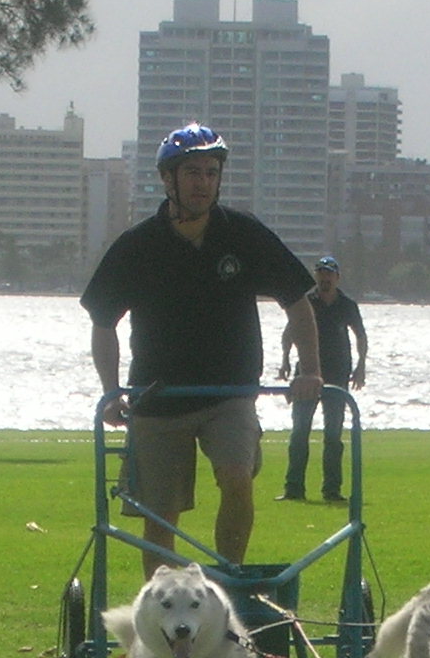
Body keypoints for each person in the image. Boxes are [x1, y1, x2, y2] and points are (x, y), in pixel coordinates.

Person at [81, 123, 321, 570]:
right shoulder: (138, 246)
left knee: (236, 477)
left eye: (212, 172)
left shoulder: (243, 234)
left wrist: (310, 370)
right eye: (192, 172)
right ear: (167, 178)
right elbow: (102, 322)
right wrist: (111, 392)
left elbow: (297, 302)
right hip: (158, 397)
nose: (203, 182)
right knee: (161, 515)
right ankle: (165, 617)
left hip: (228, 394)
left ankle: (228, 580)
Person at [277, 254, 367, 503]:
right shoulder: (307, 302)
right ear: (316, 276)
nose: (324, 278)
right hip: (307, 373)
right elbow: (290, 331)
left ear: (337, 277)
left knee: (333, 436)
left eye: (329, 274)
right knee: (299, 432)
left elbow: (361, 336)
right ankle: (293, 488)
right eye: (320, 273)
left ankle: (332, 490)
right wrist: (284, 360)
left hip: (338, 374)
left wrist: (361, 367)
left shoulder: (347, 305)